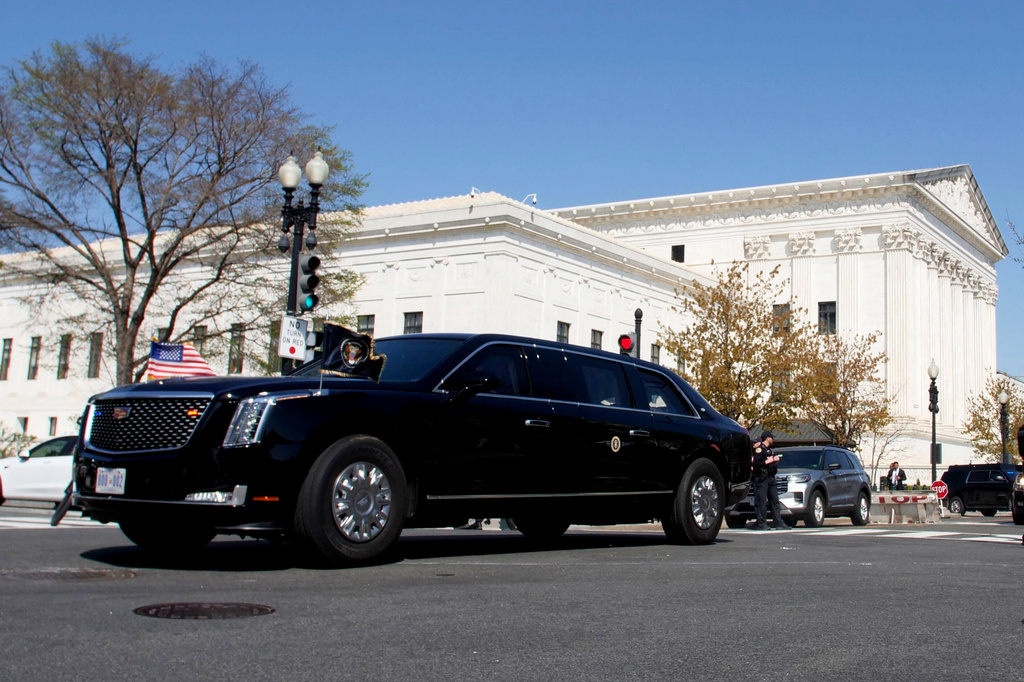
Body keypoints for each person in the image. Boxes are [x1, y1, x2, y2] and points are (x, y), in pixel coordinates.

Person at [751, 430, 790, 530]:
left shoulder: (770, 450)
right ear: (768, 438)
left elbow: (771, 464)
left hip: (771, 478)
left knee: (775, 501)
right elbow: (755, 464)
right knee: (761, 502)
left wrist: (774, 462)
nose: (773, 439)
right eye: (771, 437)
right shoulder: (760, 450)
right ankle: (761, 523)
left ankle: (778, 523)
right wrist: (767, 461)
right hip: (761, 478)